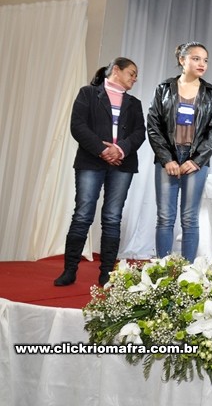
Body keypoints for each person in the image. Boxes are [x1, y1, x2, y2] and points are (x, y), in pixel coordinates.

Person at [54, 58, 145, 287]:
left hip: (122, 164)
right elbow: (78, 126)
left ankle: (106, 274)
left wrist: (119, 149)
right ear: (116, 70)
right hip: (90, 161)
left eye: (136, 75)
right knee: (83, 214)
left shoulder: (134, 103)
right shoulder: (87, 93)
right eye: (132, 73)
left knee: (112, 217)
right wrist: (102, 150)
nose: (135, 78)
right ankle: (69, 271)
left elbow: (139, 133)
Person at [147, 42, 212, 262]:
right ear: (182, 60)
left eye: (205, 60)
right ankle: (162, 269)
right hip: (167, 158)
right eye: (196, 58)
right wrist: (166, 159)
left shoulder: (211, 94)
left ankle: (188, 272)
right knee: (165, 218)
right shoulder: (163, 89)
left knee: (190, 219)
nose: (202, 64)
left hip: (196, 160)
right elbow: (153, 126)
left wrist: (197, 160)